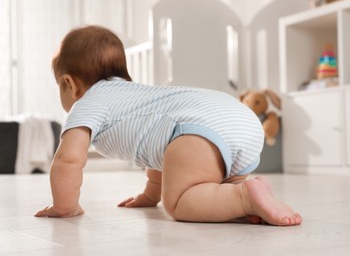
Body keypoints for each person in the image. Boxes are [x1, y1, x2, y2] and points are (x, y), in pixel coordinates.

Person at [35, 25, 302, 226]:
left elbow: (68, 160)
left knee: (180, 202)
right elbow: (160, 148)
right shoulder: (137, 96)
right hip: (239, 117)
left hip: (200, 129)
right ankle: (247, 195)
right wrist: (150, 196)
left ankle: (243, 197)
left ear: (69, 84)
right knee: (199, 172)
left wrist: (64, 207)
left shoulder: (87, 103)